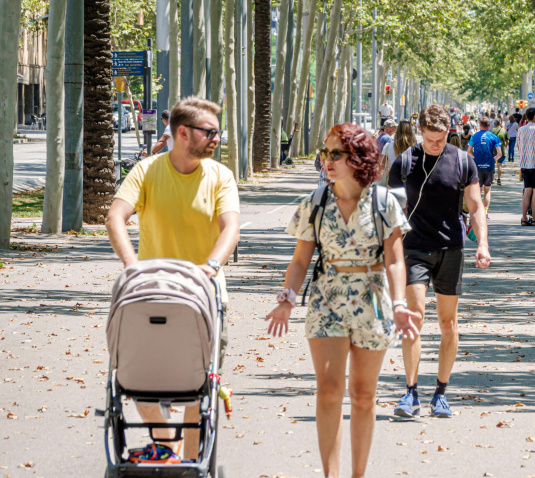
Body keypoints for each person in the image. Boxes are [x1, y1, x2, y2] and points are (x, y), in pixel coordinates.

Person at [267, 123, 420, 478]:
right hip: (327, 301)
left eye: (336, 153)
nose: (327, 160)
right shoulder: (316, 203)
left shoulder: (383, 202)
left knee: (364, 395)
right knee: (330, 391)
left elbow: (396, 260)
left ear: (358, 157)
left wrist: (399, 304)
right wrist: (288, 297)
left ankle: (358, 474)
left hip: (373, 301)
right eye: (325, 153)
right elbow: (301, 260)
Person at [106, 96, 239, 461]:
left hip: (205, 296)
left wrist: (211, 265)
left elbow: (231, 228)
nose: (217, 138)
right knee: (134, 377)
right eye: (210, 132)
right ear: (183, 133)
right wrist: (132, 266)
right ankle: (167, 445)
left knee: (201, 385)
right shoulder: (147, 171)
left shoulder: (219, 176)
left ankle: (193, 463)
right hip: (152, 293)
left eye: (218, 131)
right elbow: (116, 218)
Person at [388, 105, 491, 419]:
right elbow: (392, 214)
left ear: (449, 132)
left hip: (451, 249)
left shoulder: (462, 162)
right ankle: (410, 393)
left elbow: (475, 207)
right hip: (414, 248)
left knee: (448, 323)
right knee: (414, 318)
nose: (436, 144)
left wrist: (483, 243)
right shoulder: (403, 163)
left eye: (441, 137)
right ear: (420, 132)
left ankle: (441, 394)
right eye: (430, 138)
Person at [467, 116, 503, 220]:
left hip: (477, 166)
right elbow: (499, 154)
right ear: (489, 125)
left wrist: (475, 158)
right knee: (487, 190)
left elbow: (468, 151)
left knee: (477, 190)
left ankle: (477, 212)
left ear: (479, 125)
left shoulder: (474, 136)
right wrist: (493, 159)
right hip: (489, 166)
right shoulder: (494, 137)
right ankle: (485, 212)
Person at [379, 120, 417, 186]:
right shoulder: (415, 147)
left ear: (397, 131)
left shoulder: (388, 145)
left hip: (393, 181)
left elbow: (381, 165)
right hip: (411, 182)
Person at [490, 118, 509, 185]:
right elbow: (507, 141)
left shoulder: (491, 130)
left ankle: (492, 179)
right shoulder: (504, 130)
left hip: (493, 150)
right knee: (499, 165)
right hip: (501, 150)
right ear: (500, 123)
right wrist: (505, 146)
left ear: (494, 124)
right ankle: (499, 178)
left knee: (492, 165)